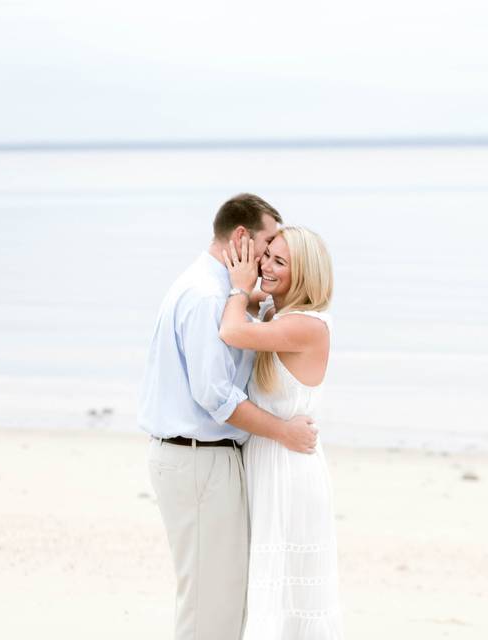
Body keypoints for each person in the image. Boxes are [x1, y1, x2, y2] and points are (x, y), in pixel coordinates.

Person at [139, 194, 319, 640]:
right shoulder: (207, 297)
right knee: (210, 608)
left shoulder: (218, 290)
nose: (269, 258)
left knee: (223, 600)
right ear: (241, 237)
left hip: (205, 459)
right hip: (198, 459)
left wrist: (254, 295)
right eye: (268, 243)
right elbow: (214, 396)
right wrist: (284, 432)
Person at [219, 226, 343, 639]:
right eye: (266, 255)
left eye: (279, 261)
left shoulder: (308, 326)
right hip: (269, 459)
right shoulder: (277, 315)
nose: (265, 266)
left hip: (289, 470)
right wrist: (255, 291)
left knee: (291, 593)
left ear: (304, 273)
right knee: (270, 588)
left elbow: (232, 332)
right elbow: (253, 318)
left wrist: (240, 289)